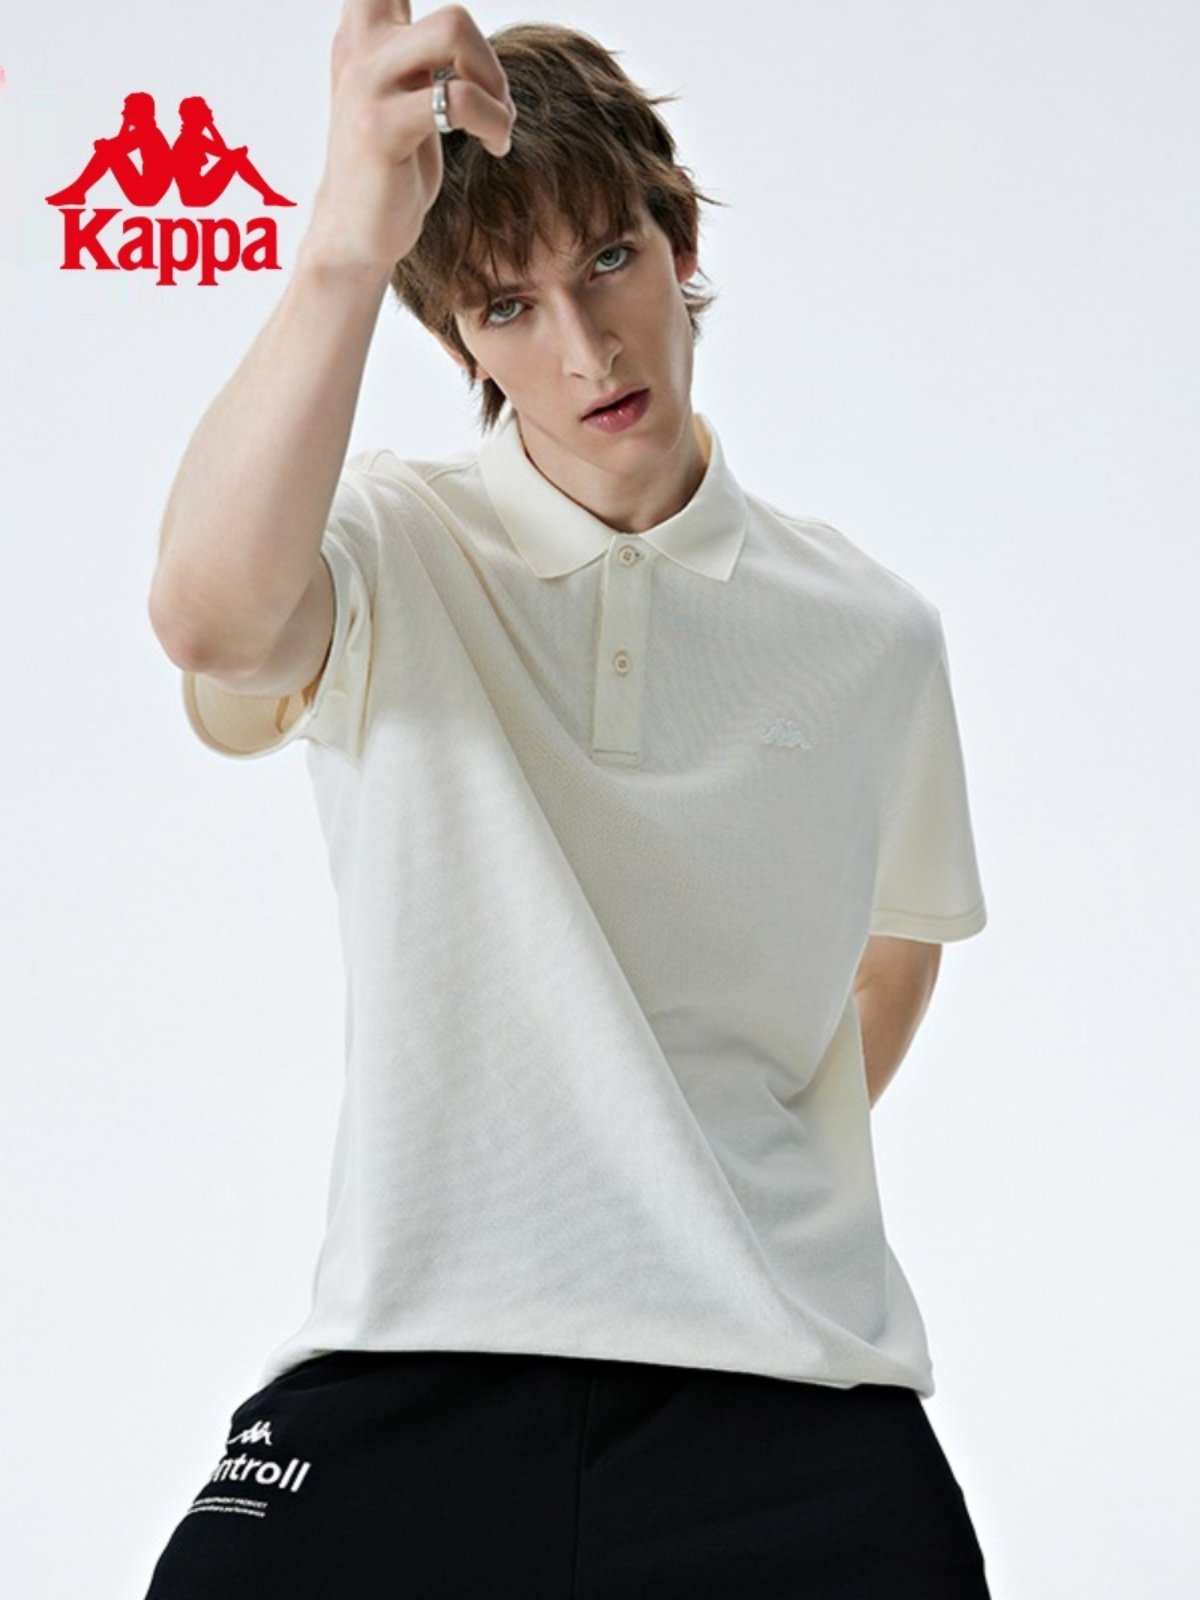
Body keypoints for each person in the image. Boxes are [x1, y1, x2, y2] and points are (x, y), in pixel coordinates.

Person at [143, 3, 993, 1596]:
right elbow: (209, 621)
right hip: (417, 1360)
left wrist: (687, 1164)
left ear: (680, 243)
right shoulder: (391, 551)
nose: (586, 351)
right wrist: (343, 249)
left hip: (785, 1395)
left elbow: (898, 943)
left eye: (609, 261)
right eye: (507, 305)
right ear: (460, 342)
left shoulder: (871, 633)